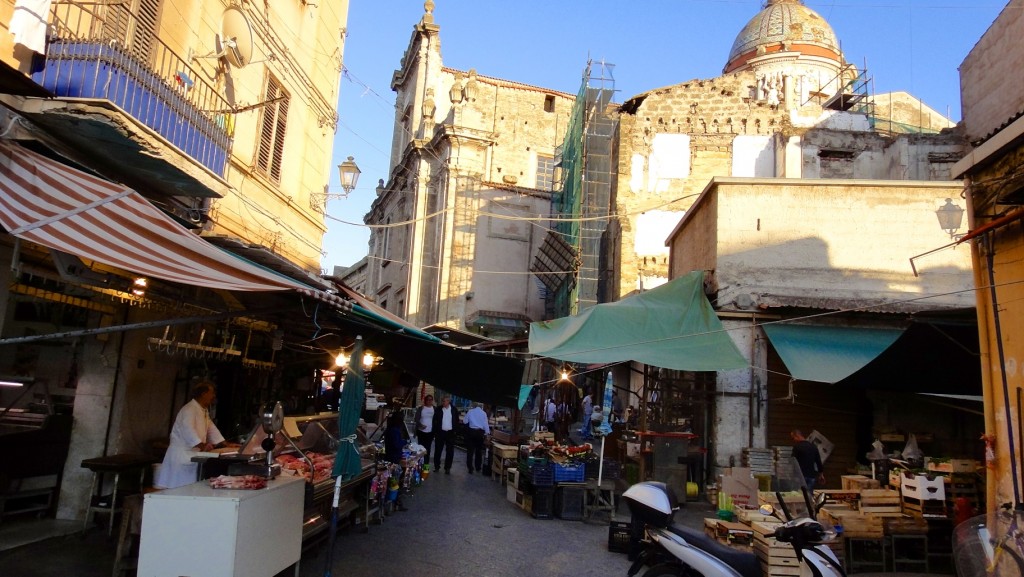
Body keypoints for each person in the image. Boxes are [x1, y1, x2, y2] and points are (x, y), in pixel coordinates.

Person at [155, 380, 236, 489]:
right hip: (182, 455)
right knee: (178, 488)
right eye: (211, 393)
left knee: (188, 488)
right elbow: (188, 430)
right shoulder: (189, 409)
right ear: (203, 394)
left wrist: (224, 443)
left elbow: (211, 428)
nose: (213, 396)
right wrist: (201, 445)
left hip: (192, 454)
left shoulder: (202, 410)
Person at [383, 411, 409, 512]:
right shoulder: (395, 431)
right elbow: (396, 444)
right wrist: (404, 441)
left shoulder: (390, 429)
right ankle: (393, 501)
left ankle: (393, 500)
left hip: (389, 456)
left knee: (393, 480)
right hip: (394, 457)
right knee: (394, 480)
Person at [432, 396, 460, 474]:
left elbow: (457, 421)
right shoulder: (438, 409)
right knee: (438, 450)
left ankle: (447, 467)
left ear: (448, 401)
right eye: (442, 401)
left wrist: (455, 431)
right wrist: (435, 431)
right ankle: (437, 466)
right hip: (440, 432)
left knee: (450, 451)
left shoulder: (454, 410)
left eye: (444, 401)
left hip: (450, 433)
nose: (443, 402)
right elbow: (434, 420)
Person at [463, 402, 490, 474]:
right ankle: (478, 467)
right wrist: (487, 434)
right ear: (481, 407)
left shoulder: (470, 411)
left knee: (470, 451)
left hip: (471, 432)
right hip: (480, 433)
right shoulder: (483, 413)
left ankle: (470, 468)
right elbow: (485, 424)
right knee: (479, 451)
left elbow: (465, 421)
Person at [414, 394, 435, 458]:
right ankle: (420, 465)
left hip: (430, 432)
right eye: (428, 400)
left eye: (431, 400)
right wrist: (420, 425)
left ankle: (426, 467)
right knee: (420, 449)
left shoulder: (434, 409)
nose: (429, 401)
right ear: (425, 400)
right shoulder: (421, 408)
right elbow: (416, 419)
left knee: (427, 449)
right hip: (421, 431)